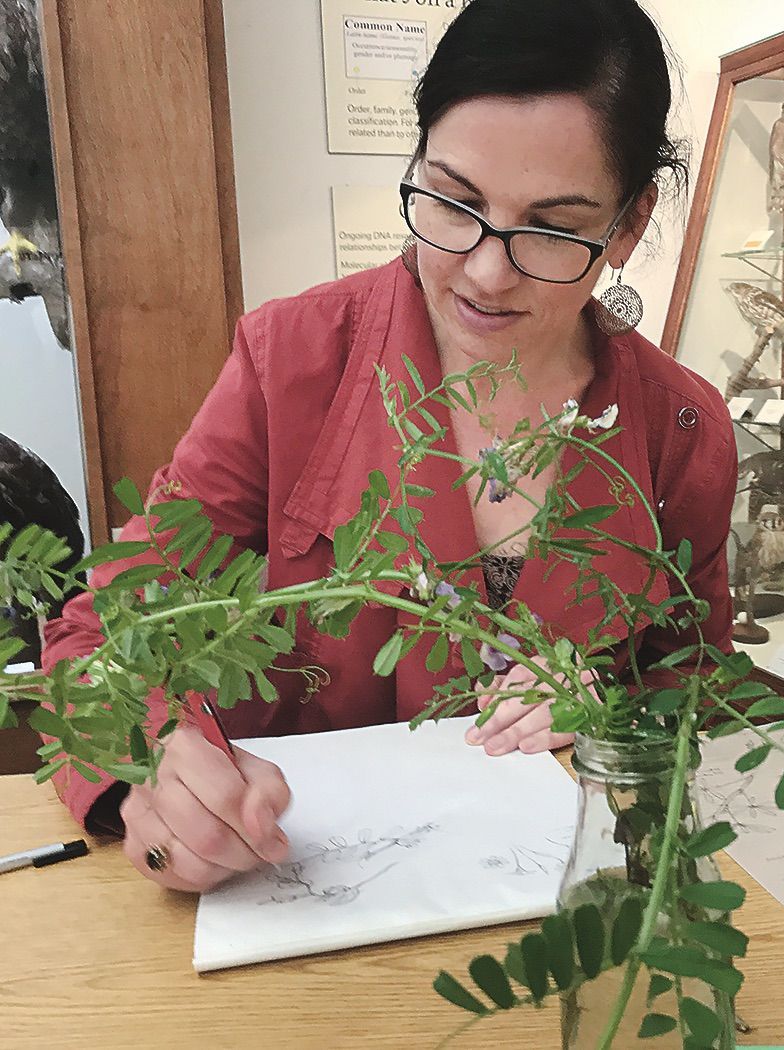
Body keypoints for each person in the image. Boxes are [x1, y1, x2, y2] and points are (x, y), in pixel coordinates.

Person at [41, 0, 736, 893]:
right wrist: (149, 775)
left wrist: (608, 719)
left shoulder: (680, 429)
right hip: (295, 897)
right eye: (453, 202)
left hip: (556, 907)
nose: (487, 271)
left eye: (555, 227)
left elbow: (699, 691)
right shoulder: (288, 364)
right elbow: (99, 634)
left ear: (629, 225)